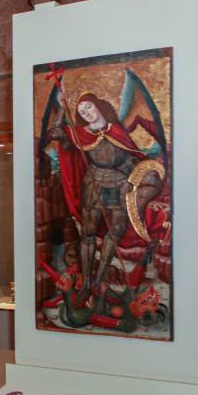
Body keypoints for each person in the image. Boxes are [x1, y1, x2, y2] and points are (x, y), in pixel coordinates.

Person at [46, 91, 160, 306]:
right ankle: (87, 284)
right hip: (93, 186)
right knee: (87, 235)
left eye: (88, 106)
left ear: (98, 105)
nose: (86, 113)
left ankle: (98, 282)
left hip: (119, 186)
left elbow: (133, 157)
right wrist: (62, 107)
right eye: (81, 111)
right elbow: (54, 133)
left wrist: (138, 180)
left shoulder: (117, 130)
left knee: (114, 234)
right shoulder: (81, 134)